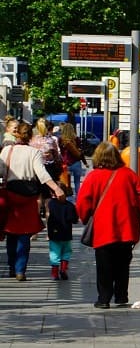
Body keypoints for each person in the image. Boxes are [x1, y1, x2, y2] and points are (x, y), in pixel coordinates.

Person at [77, 142, 140, 309]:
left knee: (104, 265)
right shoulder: (129, 175)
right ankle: (121, 295)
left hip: (103, 228)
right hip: (127, 227)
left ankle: (104, 299)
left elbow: (82, 202)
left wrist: (85, 218)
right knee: (123, 264)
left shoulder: (93, 177)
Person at [1, 121, 67, 280]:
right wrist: (56, 188)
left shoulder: (6, 151)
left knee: (11, 232)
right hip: (28, 197)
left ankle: (11, 266)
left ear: (17, 135)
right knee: (24, 234)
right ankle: (20, 269)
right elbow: (42, 174)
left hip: (10, 194)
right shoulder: (33, 152)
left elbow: (1, 172)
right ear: (30, 136)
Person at [30, 118, 63, 218]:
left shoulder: (32, 141)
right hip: (49, 169)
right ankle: (49, 229)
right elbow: (57, 156)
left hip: (35, 169)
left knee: (37, 199)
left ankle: (35, 229)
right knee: (48, 199)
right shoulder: (51, 140)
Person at [45, 194, 77, 280]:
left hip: (54, 234)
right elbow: (74, 219)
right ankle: (63, 269)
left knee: (54, 253)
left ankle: (55, 273)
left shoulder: (51, 203)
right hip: (66, 234)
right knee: (66, 251)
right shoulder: (70, 205)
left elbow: (48, 216)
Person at [59, 123, 86, 199]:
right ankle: (78, 198)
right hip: (76, 163)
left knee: (65, 183)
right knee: (77, 182)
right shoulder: (77, 139)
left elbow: (60, 151)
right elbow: (80, 151)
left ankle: (66, 198)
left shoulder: (61, 139)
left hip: (65, 163)